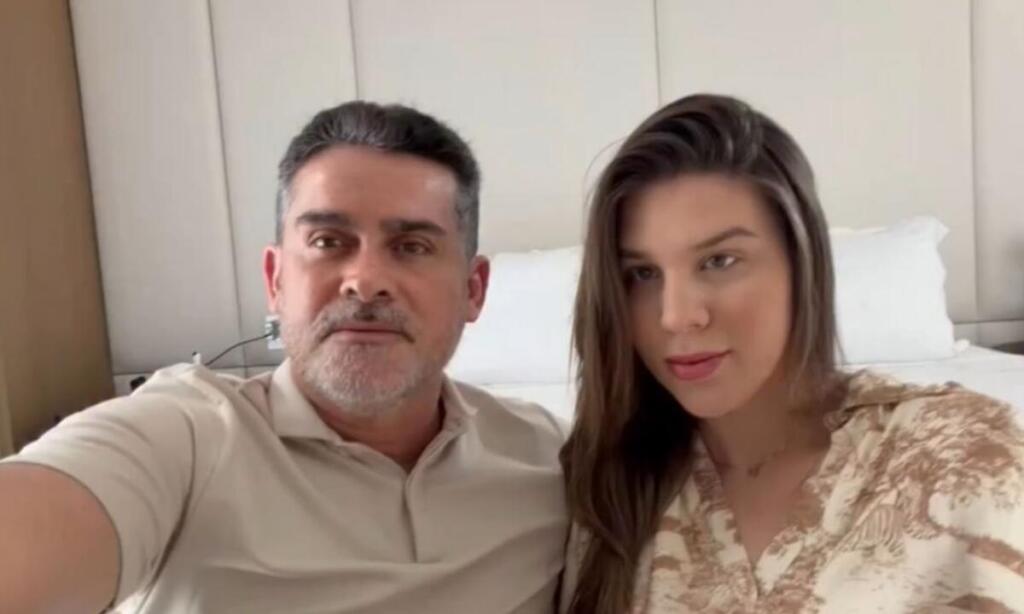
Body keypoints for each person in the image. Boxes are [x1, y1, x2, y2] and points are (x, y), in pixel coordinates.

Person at [0, 101, 568, 613]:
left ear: (473, 289)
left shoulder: (555, 463)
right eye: (328, 242)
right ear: (275, 279)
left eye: (412, 247)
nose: (365, 280)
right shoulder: (187, 436)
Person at [560, 94, 1024, 613]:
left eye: (719, 261)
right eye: (642, 274)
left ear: (801, 262)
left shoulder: (961, 455)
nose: (676, 315)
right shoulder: (606, 491)